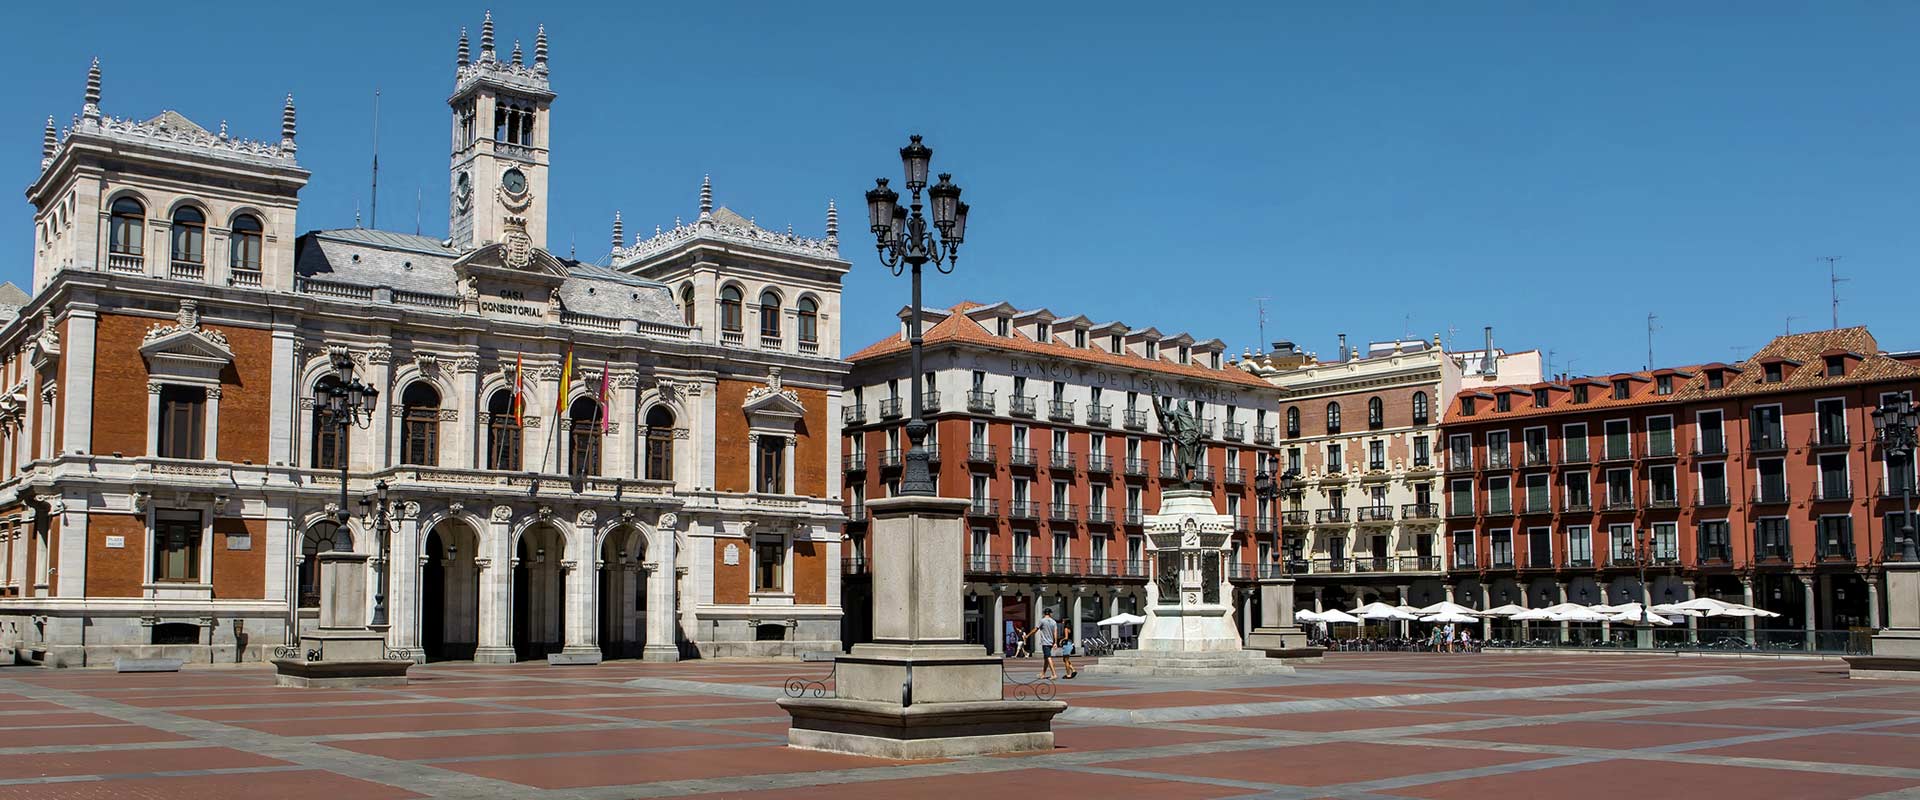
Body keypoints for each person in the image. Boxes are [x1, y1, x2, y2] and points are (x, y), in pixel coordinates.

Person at [1025, 610, 1059, 679]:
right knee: (1046, 658)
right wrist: (1055, 642)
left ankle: (1054, 674)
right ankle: (1043, 673)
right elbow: (1055, 632)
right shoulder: (1054, 622)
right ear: (1050, 614)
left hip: (1045, 642)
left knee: (1048, 657)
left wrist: (1028, 635)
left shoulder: (1042, 621)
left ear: (1044, 614)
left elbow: (1035, 629)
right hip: (1050, 642)